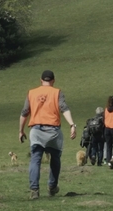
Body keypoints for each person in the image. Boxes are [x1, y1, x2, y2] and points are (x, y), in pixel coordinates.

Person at [18, 70, 77, 200]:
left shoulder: (31, 93)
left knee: (35, 159)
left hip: (36, 130)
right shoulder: (57, 92)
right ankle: (52, 186)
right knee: (55, 158)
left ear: (41, 80)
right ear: (53, 80)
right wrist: (72, 125)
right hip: (53, 131)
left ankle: (34, 190)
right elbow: (64, 108)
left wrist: (21, 131)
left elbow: (24, 112)